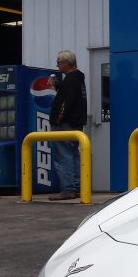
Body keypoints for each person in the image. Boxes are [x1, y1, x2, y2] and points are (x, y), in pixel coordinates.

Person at [48, 50, 88, 201]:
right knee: (73, 156)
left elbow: (66, 103)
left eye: (59, 62)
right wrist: (58, 87)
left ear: (67, 64)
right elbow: (70, 97)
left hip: (65, 125)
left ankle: (67, 189)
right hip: (76, 125)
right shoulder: (77, 79)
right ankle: (77, 187)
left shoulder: (71, 80)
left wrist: (57, 121)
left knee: (63, 158)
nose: (57, 65)